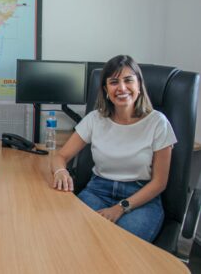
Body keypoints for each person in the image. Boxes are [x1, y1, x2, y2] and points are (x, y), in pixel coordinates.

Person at [51, 55, 176, 242]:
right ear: (106, 89)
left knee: (119, 244)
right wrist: (61, 171)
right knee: (71, 236)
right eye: (114, 82)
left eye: (128, 80)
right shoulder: (95, 119)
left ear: (139, 85)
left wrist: (120, 208)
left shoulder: (158, 122)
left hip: (140, 198)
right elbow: (60, 156)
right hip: (98, 191)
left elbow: (159, 182)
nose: (122, 88)